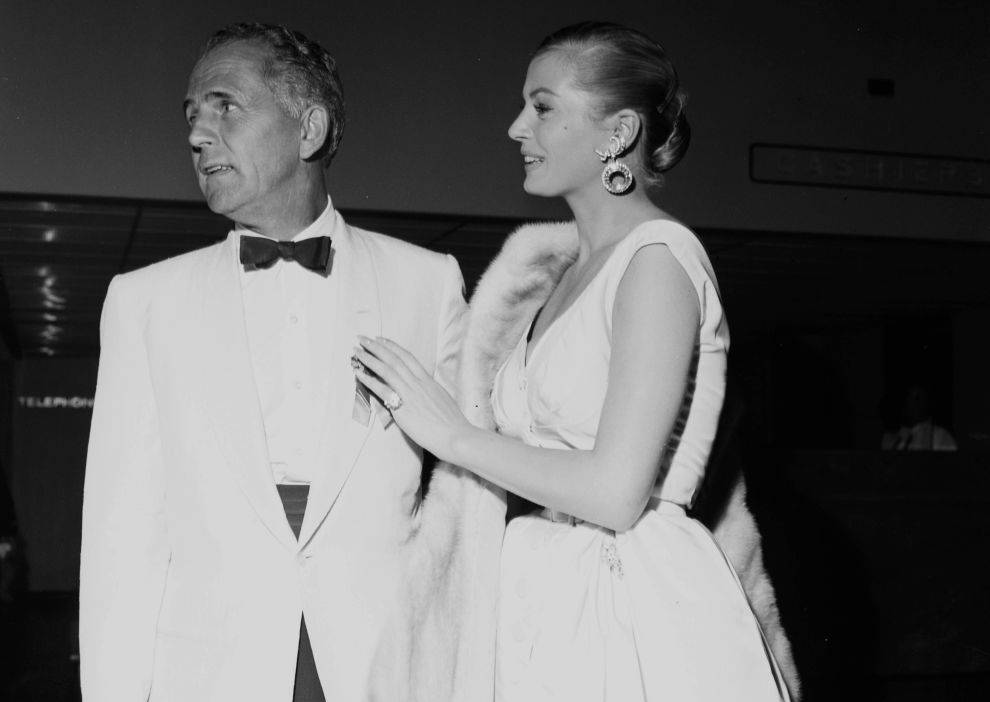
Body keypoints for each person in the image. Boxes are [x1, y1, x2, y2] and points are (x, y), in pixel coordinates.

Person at [354, 21, 798, 701]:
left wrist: (452, 435)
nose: (514, 128)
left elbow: (616, 494)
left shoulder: (657, 262)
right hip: (544, 595)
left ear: (617, 133)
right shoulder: (564, 274)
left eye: (541, 106)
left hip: (631, 611)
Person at [79, 22, 490, 702]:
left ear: (309, 129)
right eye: (190, 115)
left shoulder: (428, 282)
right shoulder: (142, 301)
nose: (196, 133)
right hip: (213, 669)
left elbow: (465, 504)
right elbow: (122, 533)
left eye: (224, 105)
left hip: (385, 664)